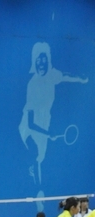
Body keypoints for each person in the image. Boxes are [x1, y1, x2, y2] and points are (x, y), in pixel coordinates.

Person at [19, 42, 88, 186]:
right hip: (28, 128)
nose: (41, 63)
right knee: (34, 154)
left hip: (44, 123)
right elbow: (30, 124)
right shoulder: (31, 85)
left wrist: (81, 79)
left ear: (48, 61)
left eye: (44, 59)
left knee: (40, 158)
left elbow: (66, 76)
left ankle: (34, 175)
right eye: (38, 60)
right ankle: (37, 188)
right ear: (34, 62)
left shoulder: (52, 75)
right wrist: (48, 133)